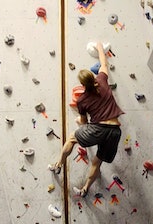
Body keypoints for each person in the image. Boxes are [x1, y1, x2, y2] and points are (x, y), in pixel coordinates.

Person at [50, 42, 124, 197]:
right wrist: (99, 47)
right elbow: (104, 63)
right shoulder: (102, 80)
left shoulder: (82, 100)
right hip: (115, 131)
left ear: (83, 85)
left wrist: (80, 122)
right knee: (97, 162)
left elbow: (84, 123)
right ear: (94, 77)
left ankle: (58, 165)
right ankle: (85, 189)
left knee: (71, 139)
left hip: (98, 129)